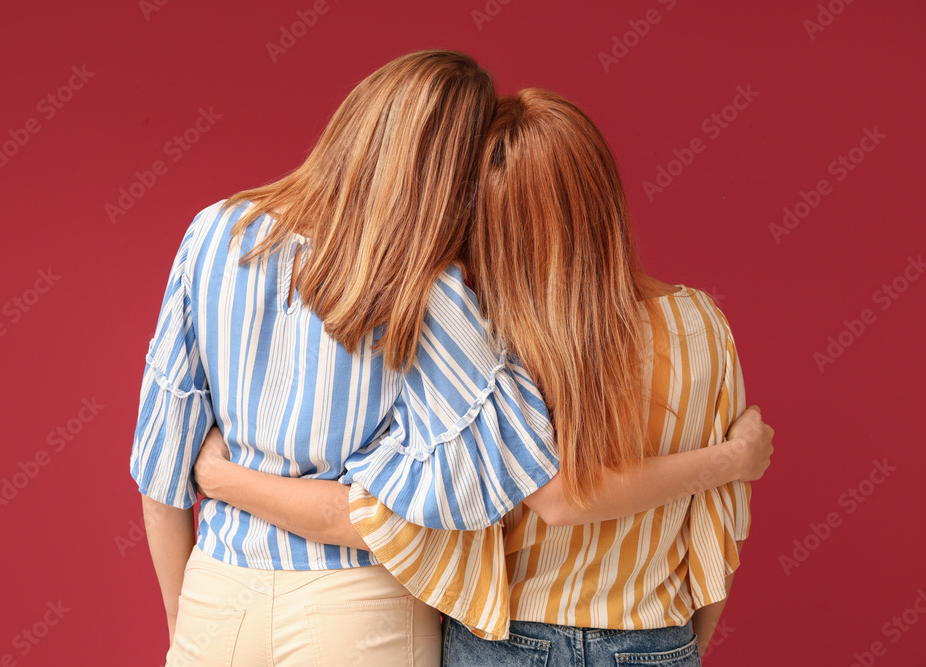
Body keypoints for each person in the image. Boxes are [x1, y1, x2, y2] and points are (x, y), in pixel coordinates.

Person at [190, 87, 775, 665]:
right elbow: (720, 532)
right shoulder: (702, 325)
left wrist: (221, 478)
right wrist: (675, 646)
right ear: (606, 194)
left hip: (505, 644)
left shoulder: (487, 338)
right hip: (656, 637)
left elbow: (396, 517)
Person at [131, 50, 563, 666]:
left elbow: (160, 478)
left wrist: (187, 623)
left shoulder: (213, 233)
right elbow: (507, 465)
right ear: (452, 175)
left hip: (215, 592)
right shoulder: (429, 291)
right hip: (361, 612)